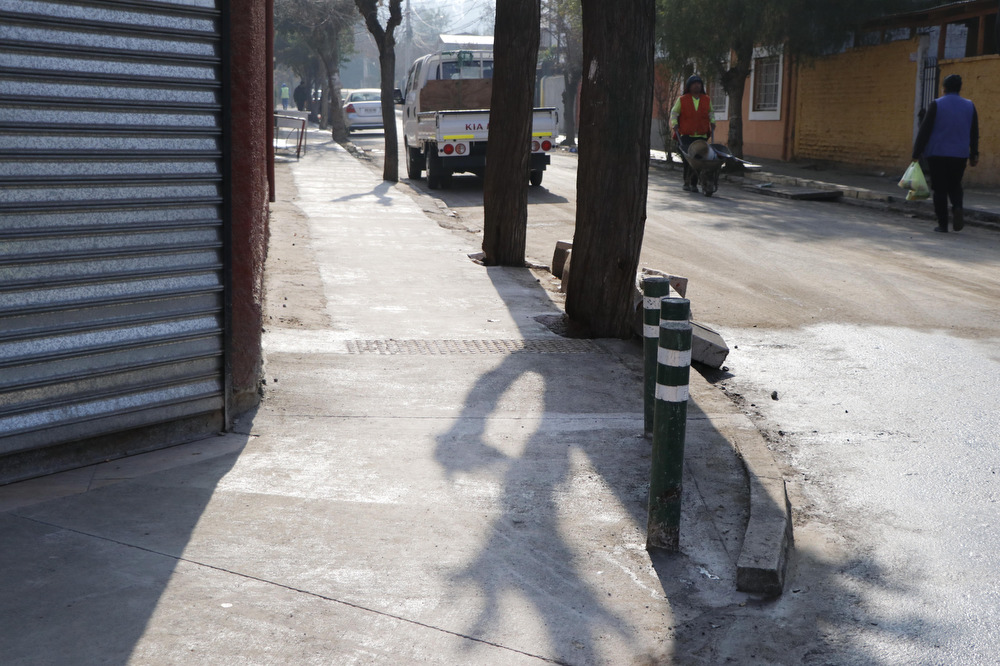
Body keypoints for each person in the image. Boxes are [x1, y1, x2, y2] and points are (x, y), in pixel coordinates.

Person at [912, 74, 979, 233]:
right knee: (955, 185)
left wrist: (916, 153)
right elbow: (974, 132)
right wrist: (974, 153)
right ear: (959, 88)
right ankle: (957, 207)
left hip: (937, 153)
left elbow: (925, 131)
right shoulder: (970, 105)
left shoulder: (936, 104)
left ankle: (943, 224)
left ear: (944, 88)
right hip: (960, 154)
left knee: (940, 188)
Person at [670, 74, 716, 192]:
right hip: (687, 134)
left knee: (700, 160)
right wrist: (674, 123)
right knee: (688, 160)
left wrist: (713, 122)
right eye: (694, 84)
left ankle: (694, 183)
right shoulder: (682, 100)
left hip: (701, 134)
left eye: (699, 84)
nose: (697, 86)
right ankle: (687, 181)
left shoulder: (706, 99)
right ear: (689, 86)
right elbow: (674, 113)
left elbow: (711, 113)